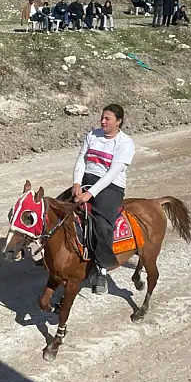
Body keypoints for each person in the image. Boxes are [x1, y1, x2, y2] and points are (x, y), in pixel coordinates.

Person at [71, 104, 136, 295]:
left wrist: (89, 194)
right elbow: (82, 159)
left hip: (110, 186)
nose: (103, 121)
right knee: (60, 207)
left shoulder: (125, 143)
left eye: (108, 119)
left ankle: (101, 269)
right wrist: (76, 183)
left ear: (119, 121)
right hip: (86, 180)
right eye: (102, 117)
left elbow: (112, 173)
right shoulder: (92, 135)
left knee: (101, 221)